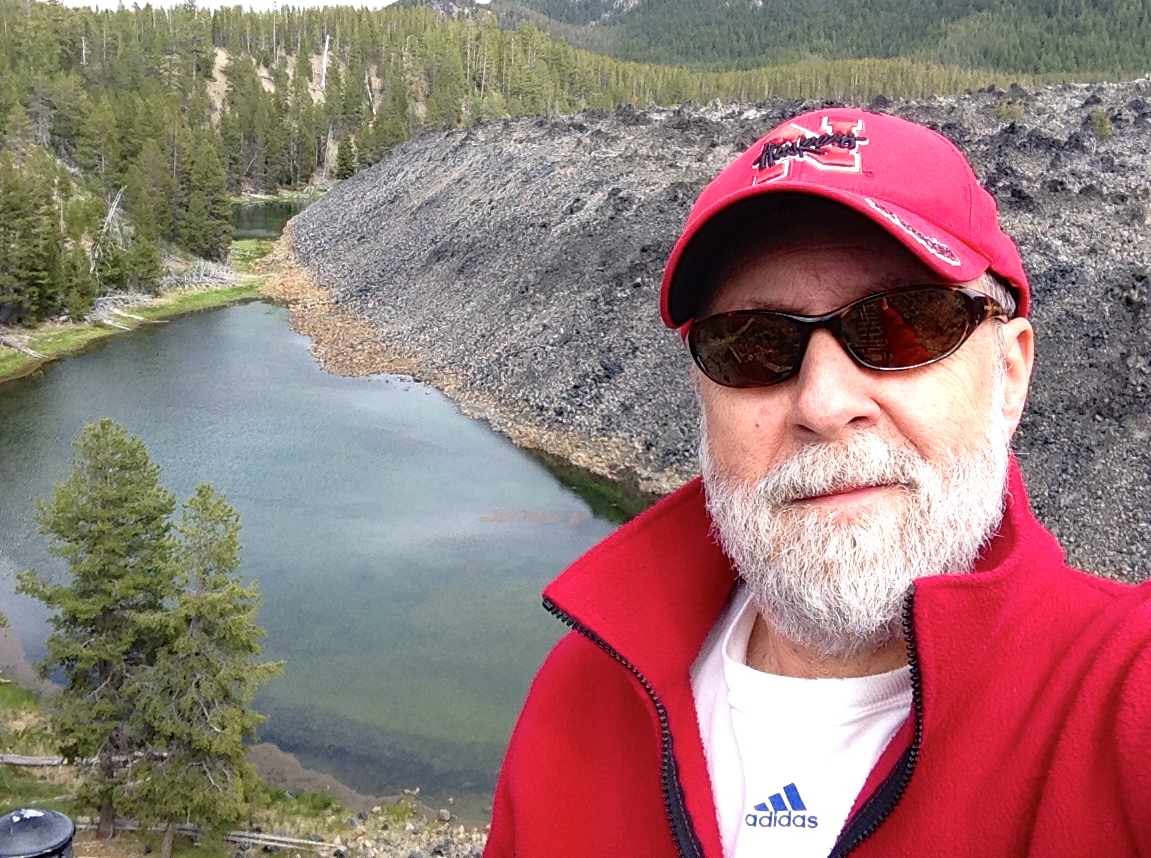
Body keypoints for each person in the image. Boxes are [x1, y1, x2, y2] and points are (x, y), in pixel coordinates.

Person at [485, 108, 1151, 858]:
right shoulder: (585, 693)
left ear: (1010, 375)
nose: (825, 405)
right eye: (756, 344)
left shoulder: (1121, 700)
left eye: (903, 326)